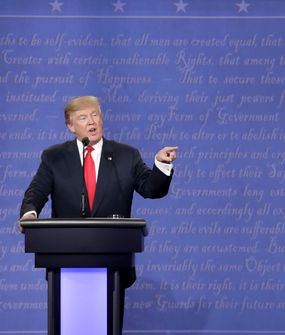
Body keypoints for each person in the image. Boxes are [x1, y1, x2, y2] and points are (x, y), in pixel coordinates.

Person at [18, 95, 178, 287]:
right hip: (66, 259)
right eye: (83, 117)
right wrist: (29, 213)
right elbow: (37, 191)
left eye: (95, 115)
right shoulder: (54, 157)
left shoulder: (126, 155)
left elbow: (151, 189)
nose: (91, 122)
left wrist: (161, 164)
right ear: (71, 126)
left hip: (114, 259)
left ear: (101, 119)